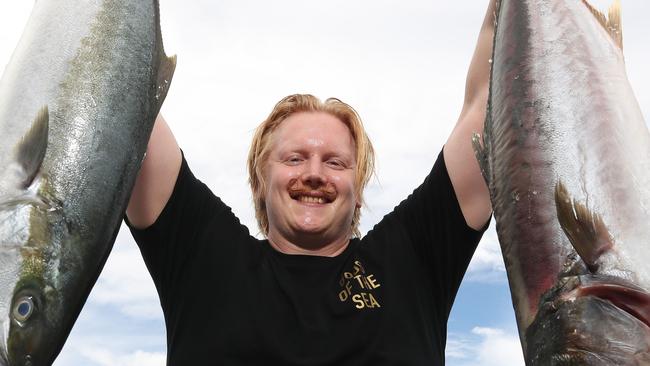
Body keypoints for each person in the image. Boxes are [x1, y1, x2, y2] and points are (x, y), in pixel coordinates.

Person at [126, 0, 495, 364]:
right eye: (294, 158)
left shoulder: (413, 260)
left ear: (358, 192)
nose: (315, 174)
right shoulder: (202, 256)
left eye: (335, 162)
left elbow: (488, 106)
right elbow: (120, 95)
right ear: (258, 181)